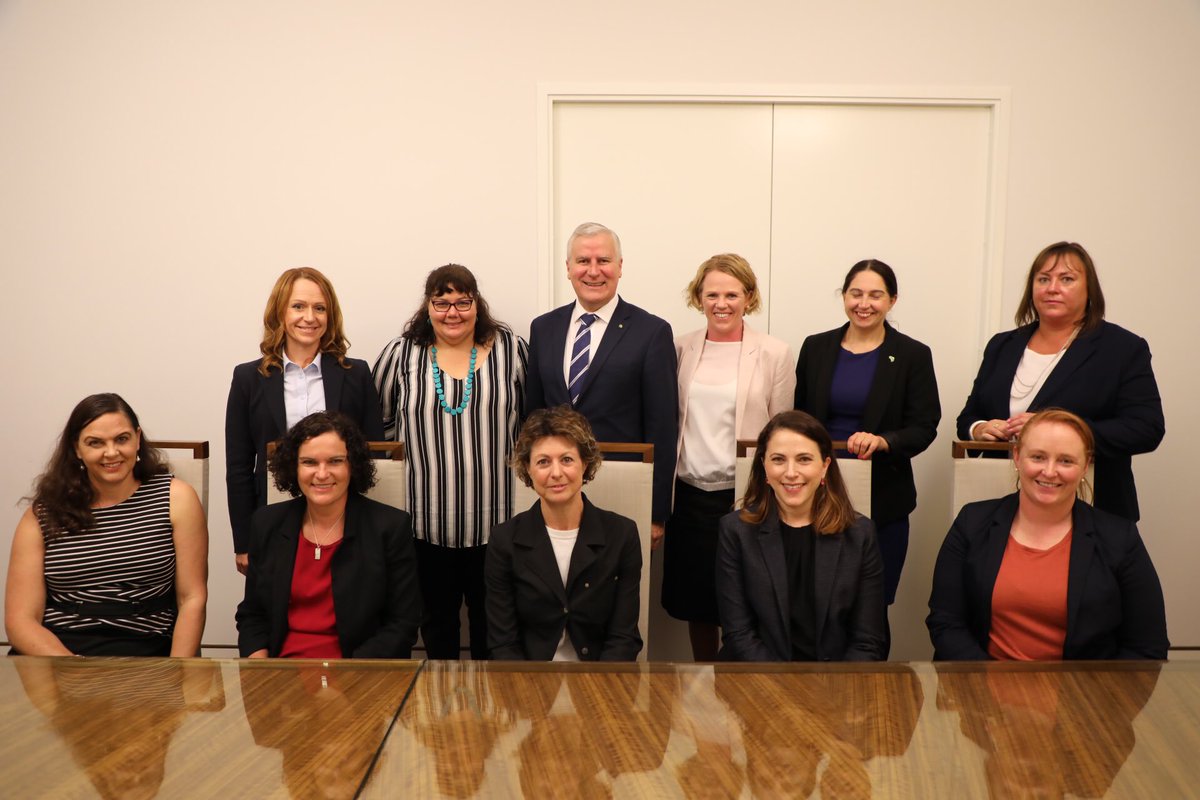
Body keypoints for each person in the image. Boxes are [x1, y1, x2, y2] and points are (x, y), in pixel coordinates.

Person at [373, 264, 527, 659]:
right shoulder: (400, 353)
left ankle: (491, 717)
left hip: (499, 525)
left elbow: (533, 425)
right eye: (442, 303)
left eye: (463, 301)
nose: (452, 312)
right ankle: (439, 720)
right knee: (437, 631)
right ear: (427, 306)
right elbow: (378, 428)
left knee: (494, 632)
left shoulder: (512, 349)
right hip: (424, 526)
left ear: (478, 304)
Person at [927, 409, 1168, 660]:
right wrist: (988, 685)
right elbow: (946, 623)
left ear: (1085, 466)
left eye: (1066, 460)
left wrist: (1091, 697)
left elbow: (1146, 647)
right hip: (982, 687)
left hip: (1083, 694)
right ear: (1018, 457)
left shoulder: (1120, 538)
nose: (1050, 471)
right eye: (1038, 457)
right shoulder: (972, 522)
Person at [956, 241, 1164, 521]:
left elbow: (1146, 429)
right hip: (1002, 505)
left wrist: (1054, 429)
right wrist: (978, 428)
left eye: (1066, 279)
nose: (1052, 288)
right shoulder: (1002, 345)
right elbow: (969, 416)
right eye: (1043, 279)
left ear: (1089, 289)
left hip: (1092, 508)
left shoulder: (1122, 348)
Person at [5, 393, 208, 656]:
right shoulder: (44, 512)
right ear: (76, 448)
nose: (111, 452)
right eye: (95, 443)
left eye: (121, 439)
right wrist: (71, 667)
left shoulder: (176, 498)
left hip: (145, 651)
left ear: (137, 438)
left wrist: (178, 671)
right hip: (55, 654)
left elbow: (192, 599)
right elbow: (20, 620)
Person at [666, 253, 795, 661]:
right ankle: (703, 680)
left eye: (732, 294)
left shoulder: (775, 352)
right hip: (690, 498)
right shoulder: (680, 348)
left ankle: (743, 689)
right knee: (698, 602)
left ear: (749, 297)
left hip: (748, 497)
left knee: (747, 597)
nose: (721, 303)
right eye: (712, 294)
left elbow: (783, 432)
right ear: (698, 297)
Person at [794, 259, 940, 604]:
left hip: (883, 498)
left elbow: (924, 425)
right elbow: (798, 419)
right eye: (855, 293)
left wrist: (886, 440)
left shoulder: (912, 355)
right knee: (813, 600)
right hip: (816, 494)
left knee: (871, 605)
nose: (864, 304)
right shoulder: (816, 347)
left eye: (875, 295)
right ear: (843, 296)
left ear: (892, 300)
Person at [525, 222, 678, 549]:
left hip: (623, 488)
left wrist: (656, 511)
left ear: (620, 267)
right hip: (555, 491)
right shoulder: (544, 328)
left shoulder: (651, 332)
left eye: (603, 261)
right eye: (583, 261)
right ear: (568, 268)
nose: (593, 271)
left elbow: (662, 426)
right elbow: (533, 418)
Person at [225, 267, 384, 575]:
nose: (309, 317)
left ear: (330, 316)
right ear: (280, 313)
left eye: (319, 308)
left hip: (345, 522)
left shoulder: (357, 375)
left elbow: (374, 456)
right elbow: (239, 467)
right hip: (272, 519)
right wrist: (243, 541)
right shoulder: (248, 378)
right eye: (298, 306)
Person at [235, 411, 422, 658]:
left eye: (335, 461)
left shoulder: (390, 527)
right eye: (309, 462)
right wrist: (260, 666)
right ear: (294, 466)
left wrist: (348, 678)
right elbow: (253, 614)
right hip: (281, 672)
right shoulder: (266, 523)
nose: (322, 474)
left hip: (359, 674)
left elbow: (403, 625)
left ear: (352, 465)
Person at [716, 410, 887, 662]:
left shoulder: (860, 534)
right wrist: (782, 692)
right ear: (764, 465)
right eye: (778, 459)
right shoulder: (735, 531)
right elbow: (738, 635)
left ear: (825, 466)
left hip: (837, 686)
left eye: (804, 459)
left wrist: (830, 694)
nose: (791, 472)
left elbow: (867, 640)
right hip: (756, 682)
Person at [486, 406, 642, 661]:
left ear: (585, 463)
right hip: (529, 684)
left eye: (567, 459)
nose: (556, 473)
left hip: (600, 681)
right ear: (528, 469)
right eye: (543, 462)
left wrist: (598, 696)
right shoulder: (504, 540)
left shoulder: (622, 535)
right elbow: (503, 643)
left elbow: (623, 639)